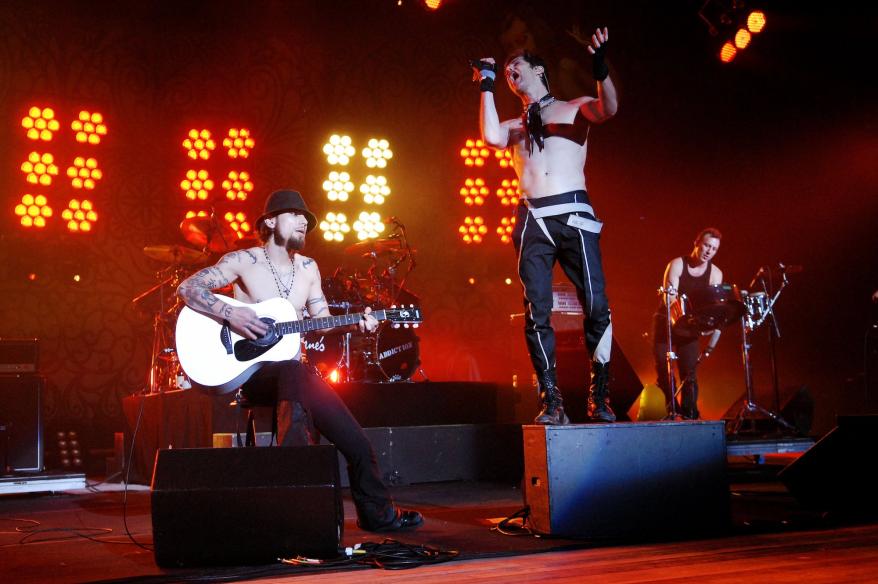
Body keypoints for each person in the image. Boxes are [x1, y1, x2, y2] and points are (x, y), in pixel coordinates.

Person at [176, 189, 423, 532]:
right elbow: (188, 289)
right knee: (294, 373)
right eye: (295, 214)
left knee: (356, 441)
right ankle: (297, 512)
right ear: (270, 221)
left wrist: (357, 322)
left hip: (294, 378)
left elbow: (320, 323)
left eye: (306, 217)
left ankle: (377, 515)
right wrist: (233, 315)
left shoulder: (309, 269)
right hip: (252, 374)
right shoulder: (244, 260)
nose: (305, 221)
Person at [473, 27, 618, 424]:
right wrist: (486, 85)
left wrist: (601, 67)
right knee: (536, 311)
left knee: (596, 304)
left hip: (574, 213)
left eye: (514, 66)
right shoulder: (513, 124)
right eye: (504, 72)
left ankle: (599, 393)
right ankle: (551, 399)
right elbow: (488, 137)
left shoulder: (574, 107)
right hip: (533, 218)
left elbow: (609, 109)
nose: (509, 73)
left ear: (538, 69)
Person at [653, 227, 724, 420]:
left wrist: (707, 326)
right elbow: (670, 299)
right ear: (697, 243)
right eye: (707, 245)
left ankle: (690, 414)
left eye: (714, 249)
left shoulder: (715, 274)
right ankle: (671, 410)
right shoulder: (677, 264)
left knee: (689, 372)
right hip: (665, 322)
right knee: (663, 369)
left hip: (690, 326)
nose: (709, 251)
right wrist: (680, 320)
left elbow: (712, 306)